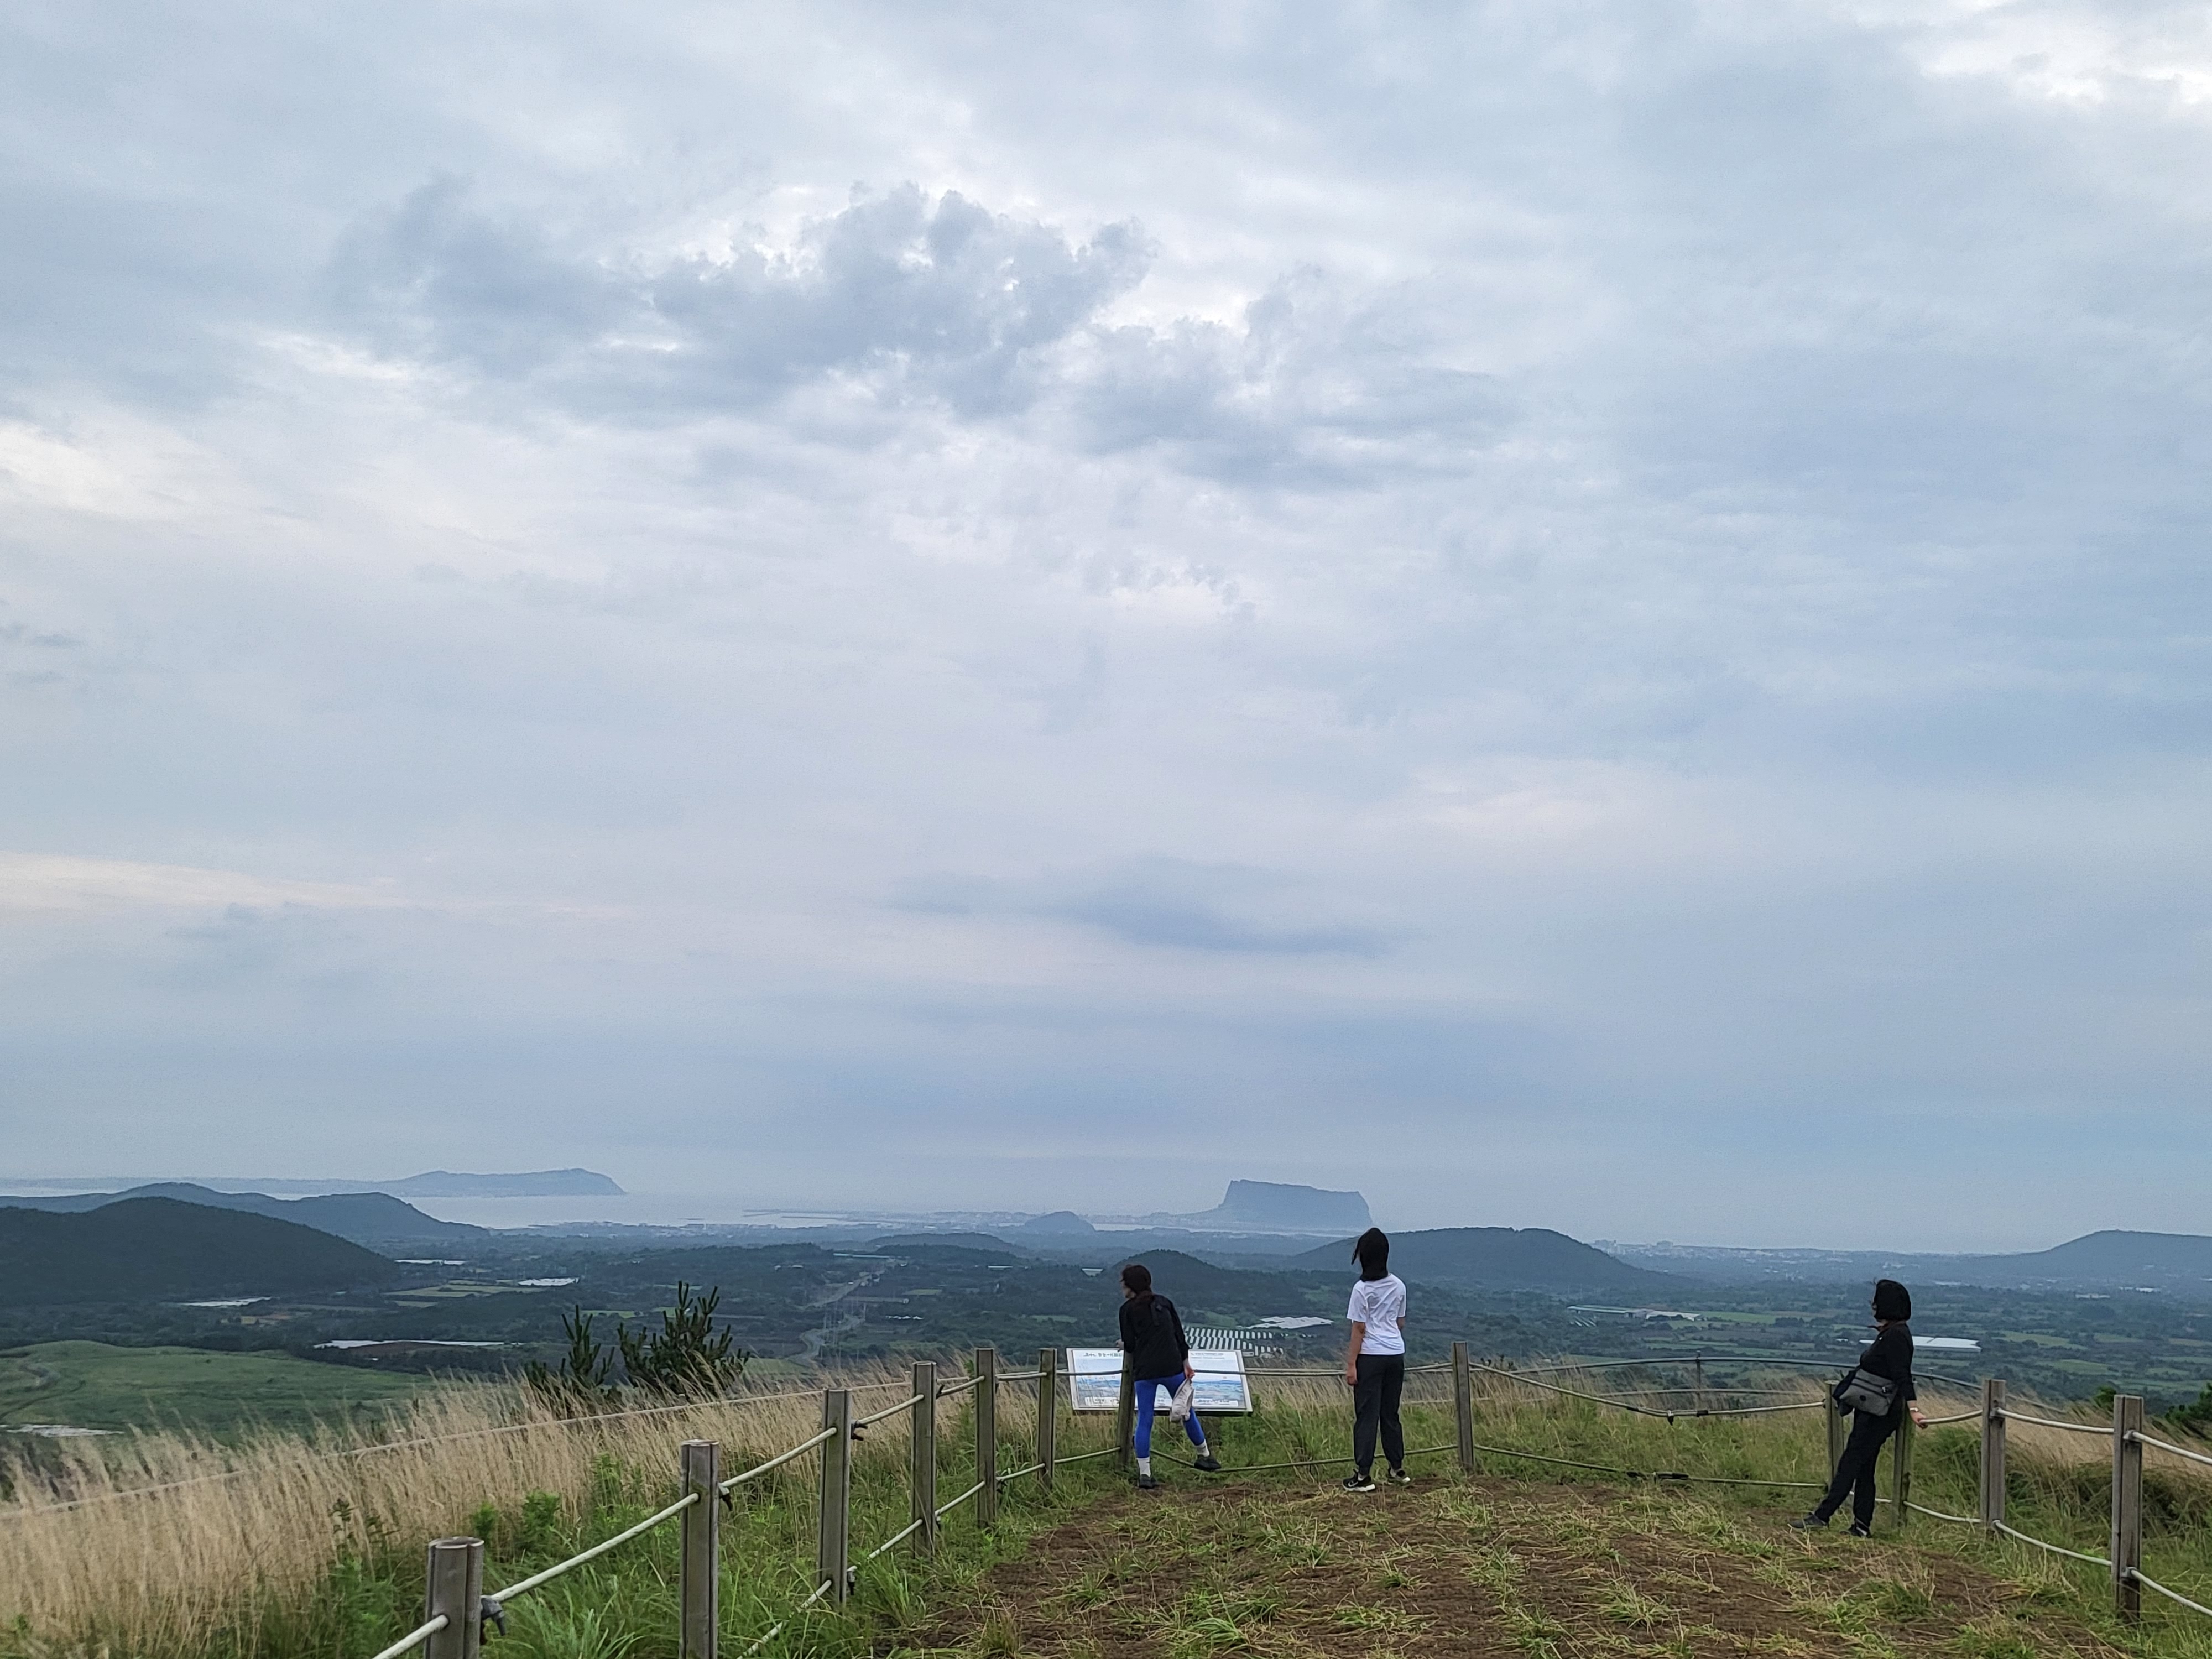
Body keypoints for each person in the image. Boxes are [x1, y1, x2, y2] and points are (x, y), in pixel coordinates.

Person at [1793, 1278, 1929, 1537]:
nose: (1873, 1305)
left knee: (1850, 1464)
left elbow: (1903, 1375)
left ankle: (1822, 1516)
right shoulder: (1892, 1333)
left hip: (1879, 1413)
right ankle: (1861, 1526)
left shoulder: (1895, 1336)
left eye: (1876, 1301)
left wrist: (1914, 1409)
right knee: (1864, 1469)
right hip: (1874, 1411)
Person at [1118, 1262, 1220, 1489]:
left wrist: (1123, 1344)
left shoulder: (1127, 1310)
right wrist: (1185, 1362)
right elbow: (1179, 1335)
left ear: (1130, 1286)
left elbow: (1131, 1346)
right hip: (1172, 1366)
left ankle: (1145, 1474)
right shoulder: (1164, 1303)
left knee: (1145, 1419)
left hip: (1145, 1371)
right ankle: (1205, 1456)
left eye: (1123, 1283)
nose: (1122, 1287)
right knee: (1186, 1411)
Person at [1342, 1227, 1410, 1493]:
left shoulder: (1361, 1290)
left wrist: (1351, 1364)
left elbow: (1359, 1329)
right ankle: (1397, 1467)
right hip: (1395, 1354)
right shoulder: (1399, 1285)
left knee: (1367, 1416)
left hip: (1370, 1356)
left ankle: (1362, 1476)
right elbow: (1400, 1322)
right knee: (1390, 1413)